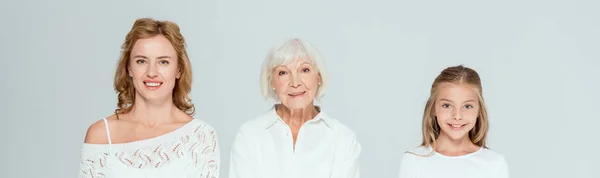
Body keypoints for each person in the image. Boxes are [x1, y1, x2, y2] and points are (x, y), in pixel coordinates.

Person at [78, 18, 219, 178]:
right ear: (129, 68)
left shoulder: (200, 137)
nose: (152, 72)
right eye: (141, 61)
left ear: (179, 69)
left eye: (163, 62)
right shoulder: (101, 135)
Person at [229, 38, 361, 178]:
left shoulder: (343, 139)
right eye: (283, 72)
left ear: (319, 77)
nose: (295, 83)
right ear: (271, 81)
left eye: (304, 70)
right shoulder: (249, 136)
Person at [398, 65, 509, 178]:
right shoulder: (414, 160)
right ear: (433, 109)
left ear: (479, 110)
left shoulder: (494, 164)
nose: (457, 116)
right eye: (447, 105)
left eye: (467, 106)